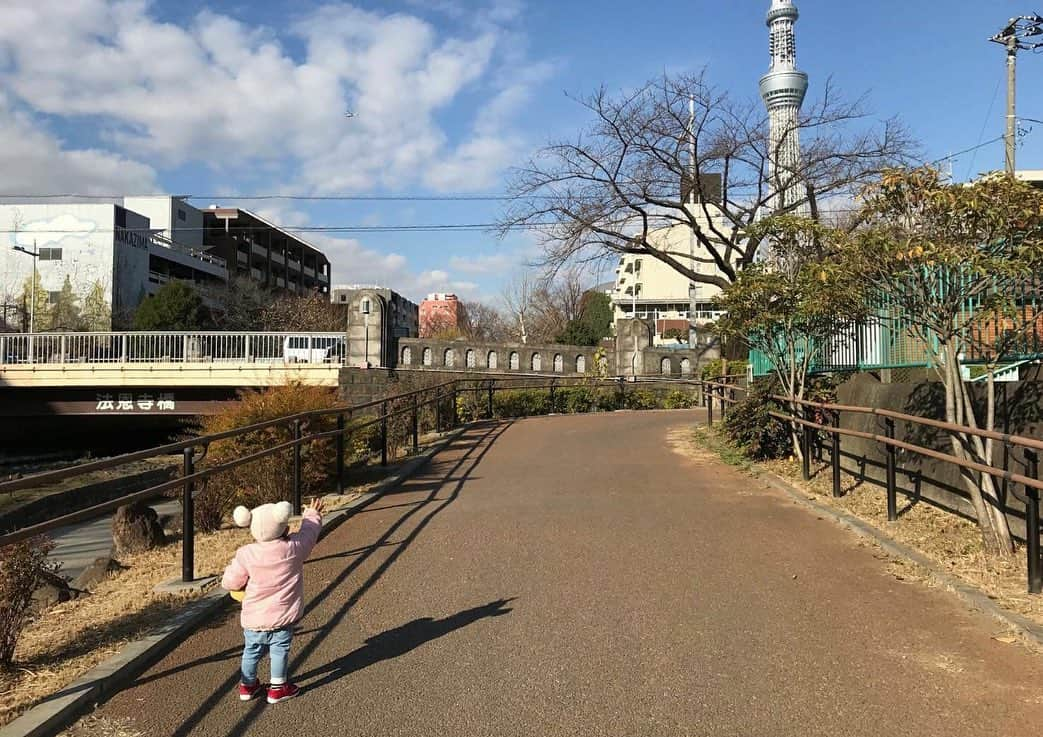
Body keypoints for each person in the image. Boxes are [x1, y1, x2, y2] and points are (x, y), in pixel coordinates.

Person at [221, 496, 325, 704]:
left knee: (250, 651)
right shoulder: (293, 548)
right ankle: (278, 687)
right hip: (283, 615)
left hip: (254, 618)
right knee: (279, 651)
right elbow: (309, 534)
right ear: (283, 526)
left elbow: (231, 582)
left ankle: (247, 685)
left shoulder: (246, 554)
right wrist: (312, 514)